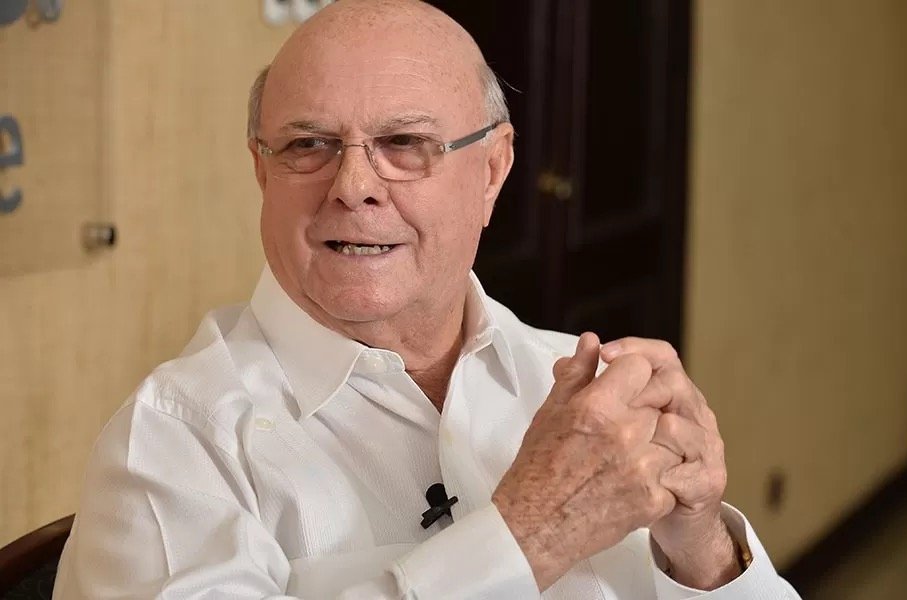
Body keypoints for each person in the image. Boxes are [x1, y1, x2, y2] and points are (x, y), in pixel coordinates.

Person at [54, 1, 801, 598]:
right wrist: (531, 535)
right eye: (308, 145)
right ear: (262, 170)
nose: (353, 187)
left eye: (405, 144)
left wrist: (703, 550)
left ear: (493, 170)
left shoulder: (588, 400)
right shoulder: (174, 448)